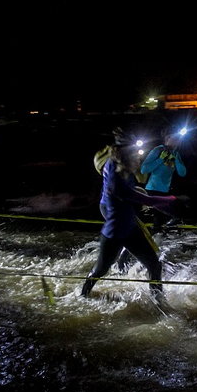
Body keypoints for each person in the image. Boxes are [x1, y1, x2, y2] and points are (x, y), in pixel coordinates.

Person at [80, 129, 180, 301]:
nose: (136, 153)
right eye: (132, 150)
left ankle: (158, 303)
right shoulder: (112, 166)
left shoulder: (126, 165)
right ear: (120, 150)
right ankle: (82, 295)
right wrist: (163, 201)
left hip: (131, 228)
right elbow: (124, 193)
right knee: (100, 270)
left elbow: (137, 185)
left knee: (154, 265)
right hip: (115, 232)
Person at [140, 129, 187, 229]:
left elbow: (182, 173)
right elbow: (144, 169)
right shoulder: (157, 150)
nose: (177, 141)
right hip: (153, 190)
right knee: (170, 215)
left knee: (159, 221)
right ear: (167, 138)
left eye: (178, 139)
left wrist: (176, 160)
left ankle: (156, 238)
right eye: (174, 138)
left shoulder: (176, 153)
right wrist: (160, 159)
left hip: (165, 190)